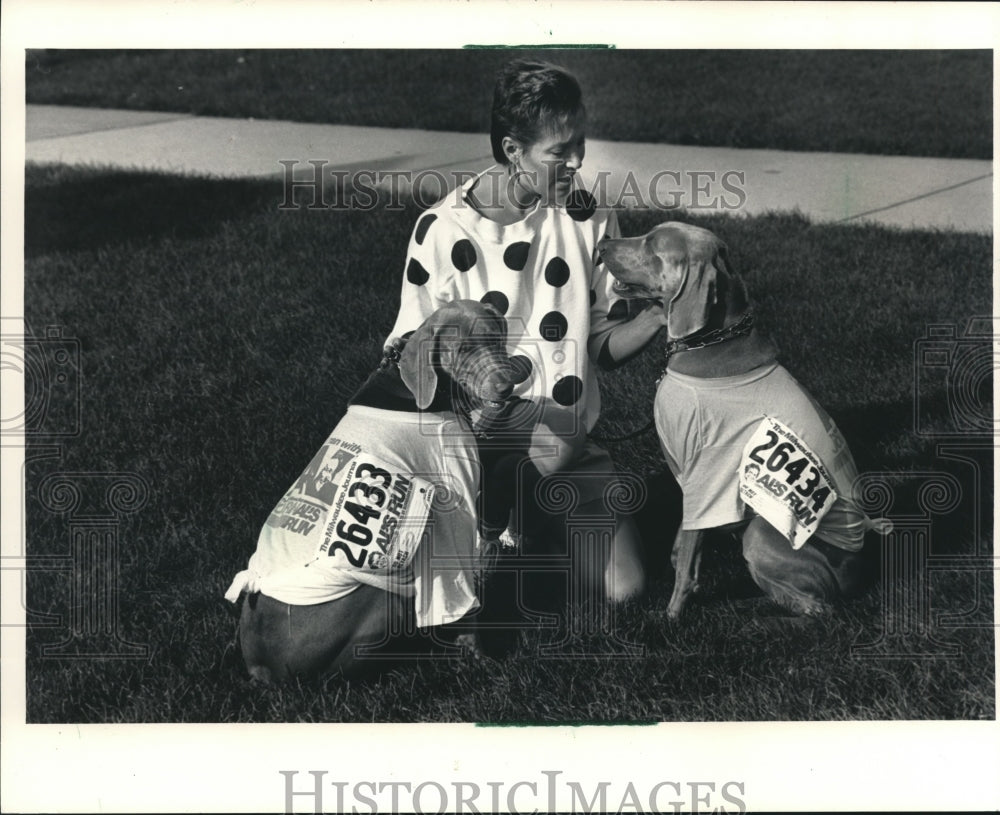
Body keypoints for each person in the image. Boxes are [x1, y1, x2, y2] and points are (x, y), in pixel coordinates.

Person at [385, 59, 666, 602]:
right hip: (473, 458)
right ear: (514, 151)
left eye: (579, 143)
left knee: (625, 590)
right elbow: (411, 359)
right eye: (559, 152)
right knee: (429, 591)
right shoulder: (443, 230)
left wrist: (657, 316)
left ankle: (535, 524)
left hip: (568, 448)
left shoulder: (589, 214)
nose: (577, 160)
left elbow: (602, 345)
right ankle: (503, 526)